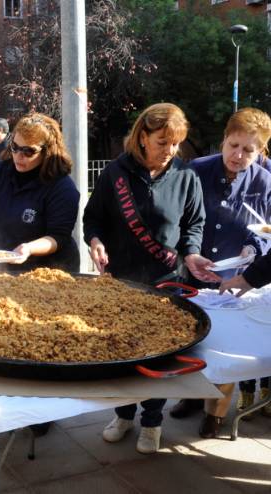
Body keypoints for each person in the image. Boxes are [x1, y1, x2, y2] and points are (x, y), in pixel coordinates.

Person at [83, 102, 217, 454]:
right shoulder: (115, 173)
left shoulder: (186, 176)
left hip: (165, 280)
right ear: (142, 136)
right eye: (162, 142)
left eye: (176, 143)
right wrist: (95, 241)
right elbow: (93, 218)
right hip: (122, 281)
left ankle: (153, 422)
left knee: (159, 355)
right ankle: (123, 414)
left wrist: (192, 253)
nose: (170, 150)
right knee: (120, 350)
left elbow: (194, 224)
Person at [170, 108, 271, 436]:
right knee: (193, 337)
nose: (238, 155)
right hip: (193, 268)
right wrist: (188, 253)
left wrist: (252, 249)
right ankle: (191, 397)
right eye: (233, 145)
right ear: (224, 140)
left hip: (235, 276)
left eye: (248, 150)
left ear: (261, 151)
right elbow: (180, 218)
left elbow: (266, 228)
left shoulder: (265, 181)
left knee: (225, 345)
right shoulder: (197, 170)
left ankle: (215, 411)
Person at [0, 113, 80, 271]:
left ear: (47, 151)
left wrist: (29, 248)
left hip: (51, 270)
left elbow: (58, 237)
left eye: (28, 151)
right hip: (6, 267)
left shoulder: (62, 186)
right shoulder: (0, 172)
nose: (18, 156)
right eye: (15, 147)